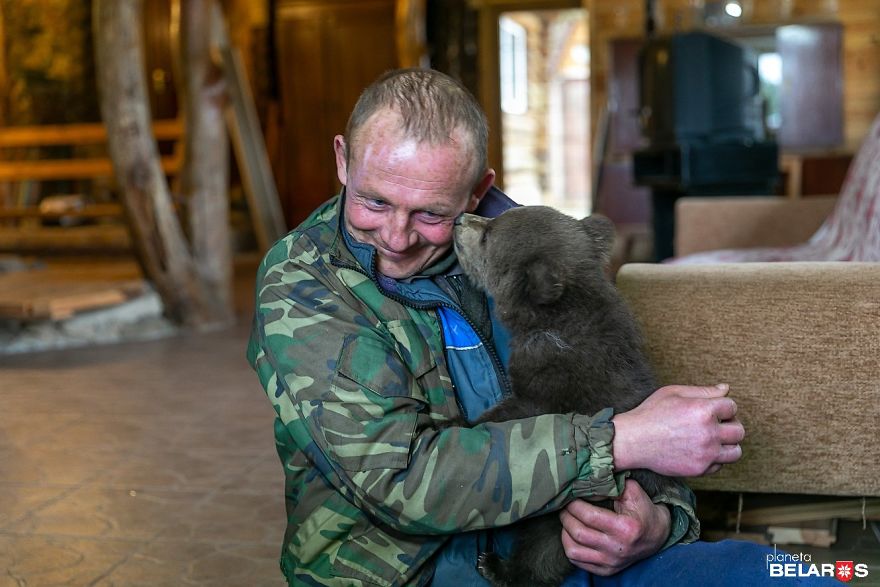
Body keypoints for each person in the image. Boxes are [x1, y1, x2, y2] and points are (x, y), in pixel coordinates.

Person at [247, 68, 831, 586]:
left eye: (431, 214)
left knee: (799, 578)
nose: (396, 239)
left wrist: (658, 522)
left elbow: (625, 395)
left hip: (562, 545)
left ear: (476, 191)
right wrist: (620, 440)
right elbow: (402, 480)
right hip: (414, 569)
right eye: (374, 203)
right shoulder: (301, 283)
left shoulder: (525, 250)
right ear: (343, 160)